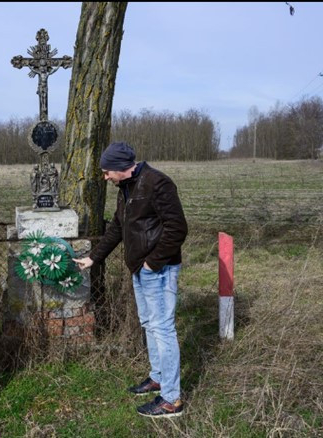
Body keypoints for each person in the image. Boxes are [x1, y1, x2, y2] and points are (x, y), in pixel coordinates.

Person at [73, 141, 188, 418]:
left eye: (106, 172)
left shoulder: (158, 183)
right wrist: (93, 258)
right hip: (141, 269)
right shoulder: (125, 188)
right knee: (149, 324)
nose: (105, 177)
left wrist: (152, 263)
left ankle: (171, 399)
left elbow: (177, 228)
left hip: (158, 270)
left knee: (163, 329)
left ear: (120, 167)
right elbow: (117, 227)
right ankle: (158, 378)